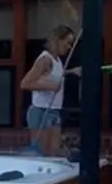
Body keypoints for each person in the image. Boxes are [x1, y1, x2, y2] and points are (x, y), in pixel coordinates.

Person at [20, 23, 81, 157]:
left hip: (54, 111)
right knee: (42, 154)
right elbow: (25, 83)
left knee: (54, 152)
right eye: (67, 43)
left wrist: (71, 72)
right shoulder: (45, 60)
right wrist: (51, 86)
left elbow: (52, 75)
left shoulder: (57, 60)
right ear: (58, 40)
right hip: (41, 111)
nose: (69, 47)